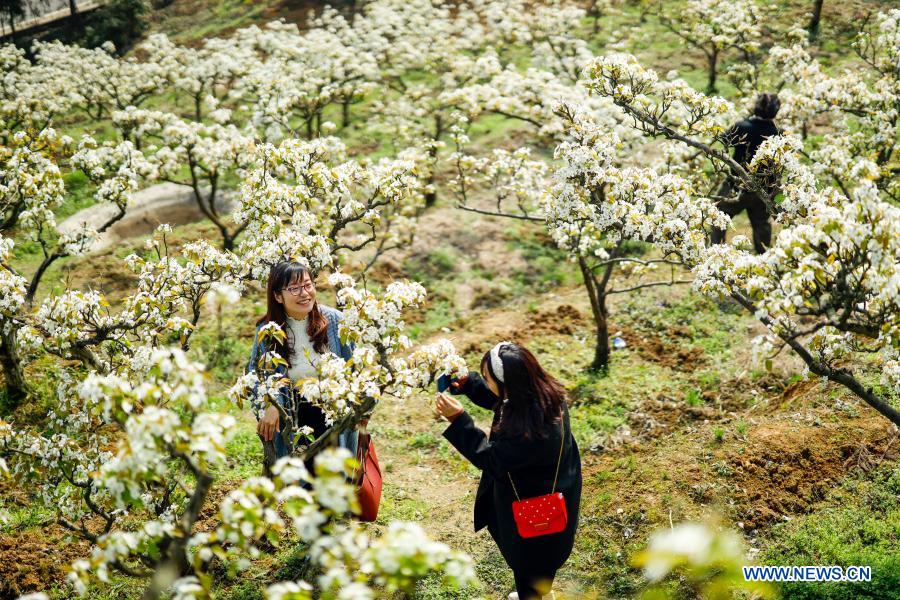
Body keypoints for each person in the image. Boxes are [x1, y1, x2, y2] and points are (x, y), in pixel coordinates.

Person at [434, 342, 582, 600]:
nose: (487, 382)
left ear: (510, 383)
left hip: (535, 506)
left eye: (488, 378)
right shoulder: (543, 394)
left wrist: (460, 421)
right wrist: (470, 384)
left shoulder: (532, 433)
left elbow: (491, 460)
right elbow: (502, 401)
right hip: (553, 487)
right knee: (538, 565)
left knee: (531, 565)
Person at [246, 260, 357, 471]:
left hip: (331, 412)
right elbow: (256, 376)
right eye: (294, 288)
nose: (304, 293)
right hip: (292, 412)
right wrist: (271, 405)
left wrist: (360, 411)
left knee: (333, 480)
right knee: (299, 483)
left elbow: (356, 369)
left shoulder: (334, 320)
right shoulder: (268, 330)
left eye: (307, 285)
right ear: (278, 296)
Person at [710, 92, 782, 254]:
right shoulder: (779, 133)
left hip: (736, 184)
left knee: (718, 216)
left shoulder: (743, 127)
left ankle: (715, 252)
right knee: (762, 224)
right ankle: (764, 258)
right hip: (764, 188)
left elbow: (723, 140)